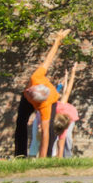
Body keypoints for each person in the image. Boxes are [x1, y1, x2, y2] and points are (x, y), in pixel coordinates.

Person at [15, 29, 69, 158]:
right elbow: (49, 59)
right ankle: (20, 155)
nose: (26, 91)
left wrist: (42, 158)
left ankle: (47, 156)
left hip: (50, 101)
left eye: (28, 94)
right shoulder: (36, 78)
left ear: (37, 102)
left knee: (49, 129)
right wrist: (57, 41)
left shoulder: (46, 105)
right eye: (28, 91)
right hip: (37, 95)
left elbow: (44, 133)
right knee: (21, 122)